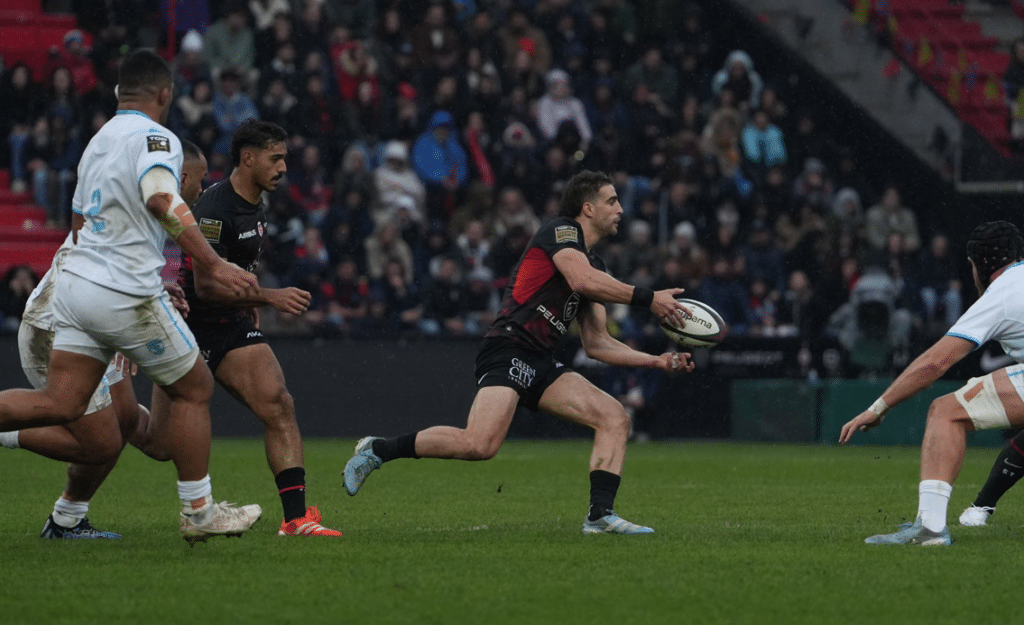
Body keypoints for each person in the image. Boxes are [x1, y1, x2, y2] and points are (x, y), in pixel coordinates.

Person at [0, 49, 262, 544]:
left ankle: (67, 519)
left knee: (64, 402)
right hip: (120, 291)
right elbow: (162, 198)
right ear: (166, 94)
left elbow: (78, 224)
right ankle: (199, 512)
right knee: (195, 387)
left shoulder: (99, 141)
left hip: (75, 286)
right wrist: (214, 262)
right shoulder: (157, 138)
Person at [343, 170, 696, 535]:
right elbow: (580, 280)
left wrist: (656, 361)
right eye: (612, 201)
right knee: (479, 445)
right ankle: (378, 449)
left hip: (541, 360)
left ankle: (600, 516)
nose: (621, 209)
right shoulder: (561, 231)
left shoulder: (599, 269)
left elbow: (597, 343)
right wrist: (650, 299)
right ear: (587, 208)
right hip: (509, 346)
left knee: (614, 417)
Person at [132, 119, 341, 537]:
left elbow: (234, 272)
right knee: (159, 444)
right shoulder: (213, 209)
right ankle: (112, 419)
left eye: (285, 158)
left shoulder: (255, 203)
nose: (283, 167)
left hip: (229, 325)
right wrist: (266, 296)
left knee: (279, 404)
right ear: (248, 158)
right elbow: (207, 286)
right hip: (191, 326)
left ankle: (295, 519)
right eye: (275, 158)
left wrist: (246, 301)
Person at [0, 142, 208, 539]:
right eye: (199, 181)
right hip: (60, 323)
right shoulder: (146, 211)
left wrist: (160, 291)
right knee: (100, 444)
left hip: (97, 322)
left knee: (128, 422)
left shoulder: (149, 217)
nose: (201, 189)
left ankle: (66, 521)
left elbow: (123, 267)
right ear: (180, 179)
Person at [839, 220, 1024, 546]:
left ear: (978, 266)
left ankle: (931, 528)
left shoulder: (1001, 294)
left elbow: (935, 362)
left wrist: (879, 407)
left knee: (945, 412)